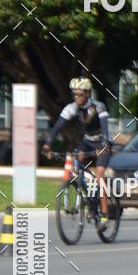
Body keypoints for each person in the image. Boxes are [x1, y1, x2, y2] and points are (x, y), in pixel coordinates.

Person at [42, 77, 112, 228]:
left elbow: (105, 129)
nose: (76, 98)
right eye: (74, 94)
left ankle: (105, 214)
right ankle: (86, 195)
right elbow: (57, 126)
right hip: (87, 141)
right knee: (76, 162)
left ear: (87, 94)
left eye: (79, 94)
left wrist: (105, 145)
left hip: (102, 141)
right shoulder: (72, 108)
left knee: (100, 175)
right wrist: (47, 144)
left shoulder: (98, 107)